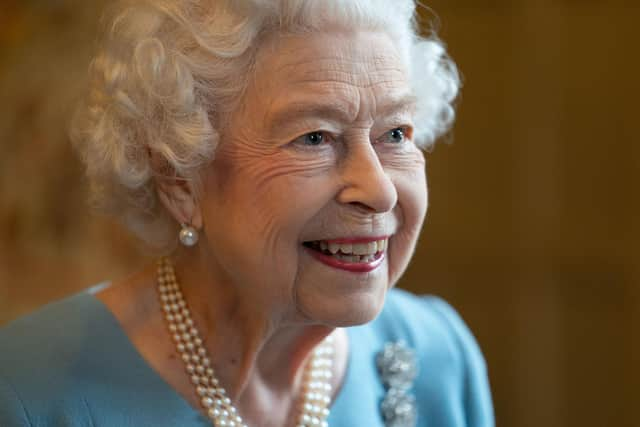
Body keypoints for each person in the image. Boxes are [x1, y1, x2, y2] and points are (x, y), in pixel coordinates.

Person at [0, 0, 494, 426]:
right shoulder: (26, 391)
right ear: (180, 180)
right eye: (315, 137)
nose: (380, 191)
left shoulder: (439, 357)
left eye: (396, 134)